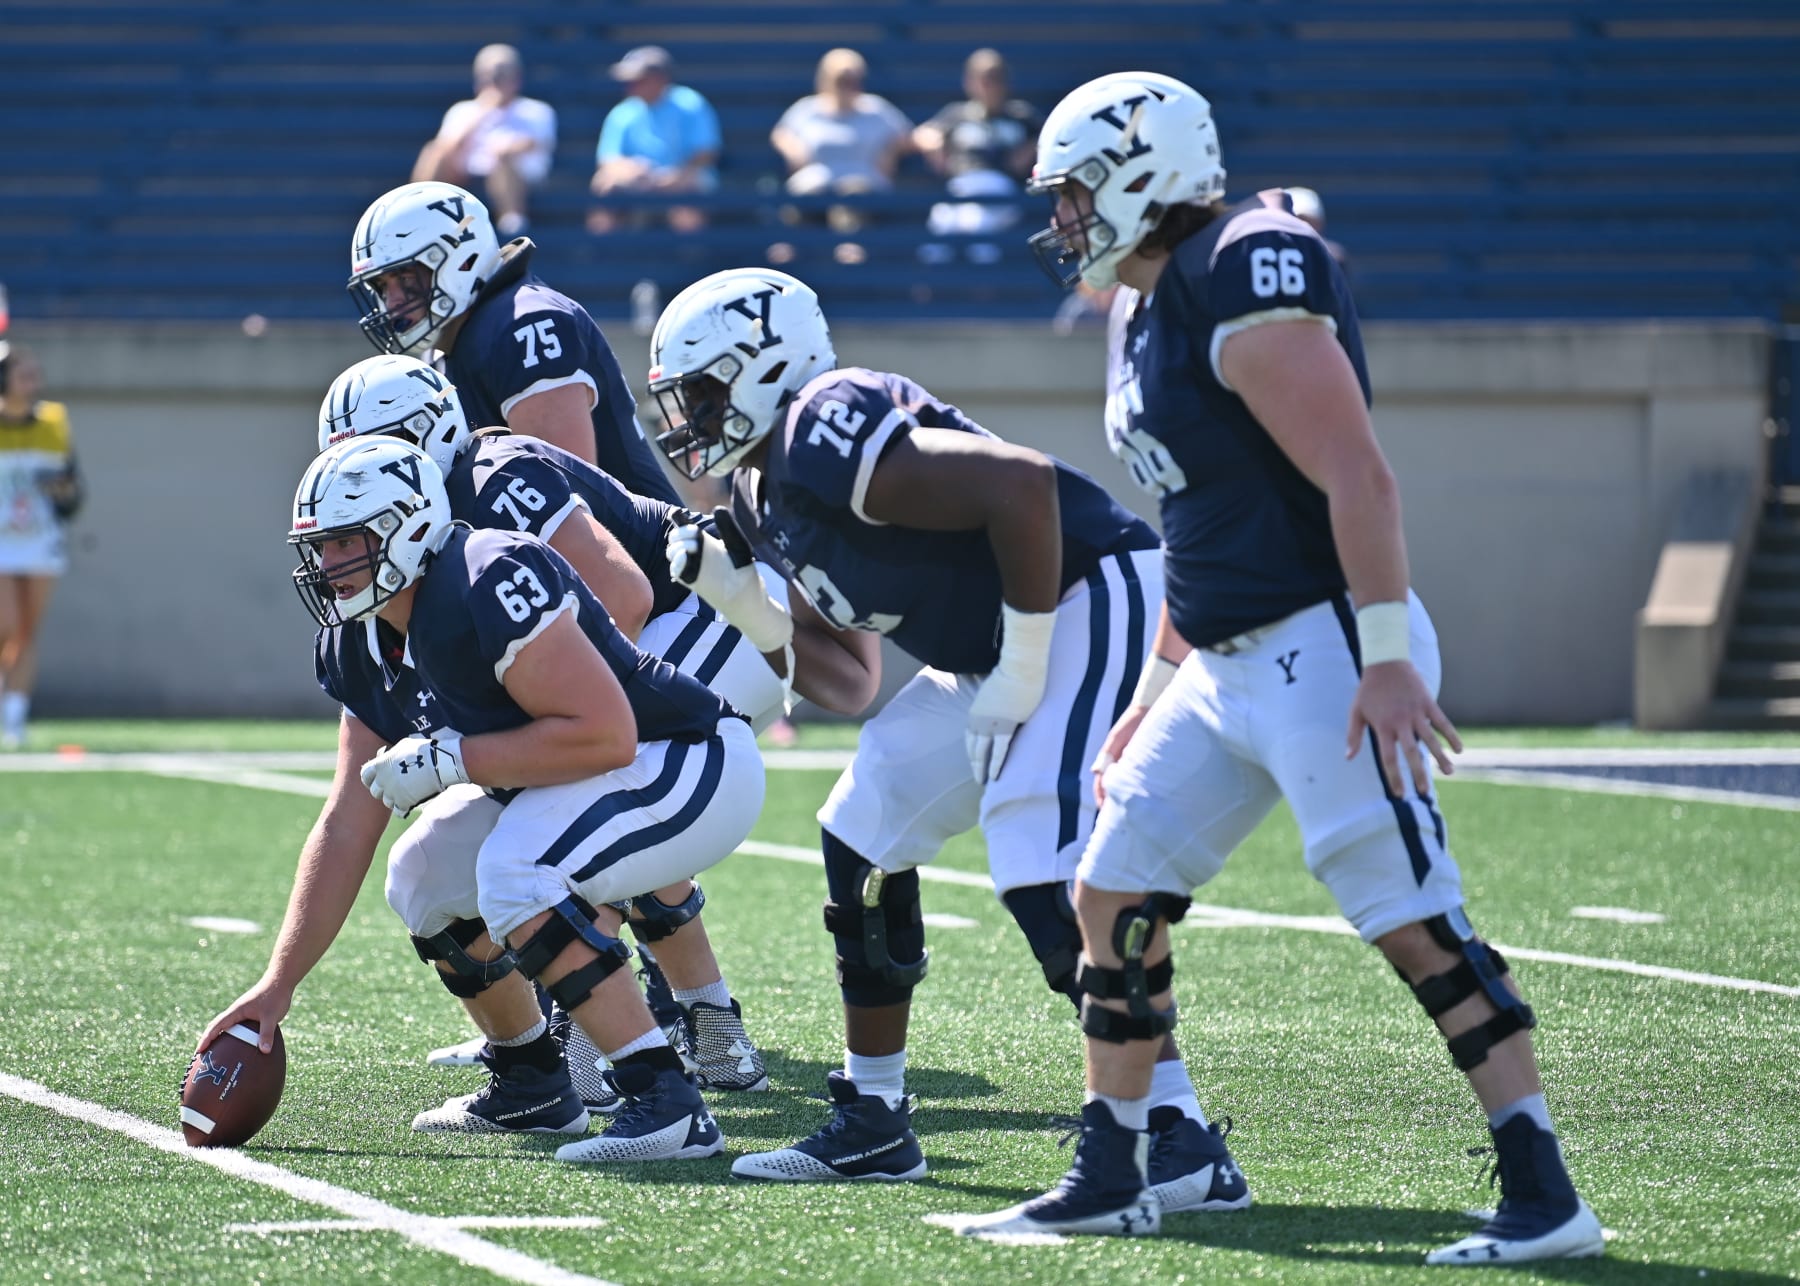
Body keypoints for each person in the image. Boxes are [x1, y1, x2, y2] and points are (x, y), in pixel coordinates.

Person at [948, 72, 1604, 1264]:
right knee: (1111, 888)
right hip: (1224, 653)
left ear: (1146, 173)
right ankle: (1115, 1163)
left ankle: (1542, 1185)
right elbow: (1200, 527)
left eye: (1078, 192)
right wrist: (1146, 701)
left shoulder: (1247, 264)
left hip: (1327, 641)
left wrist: (1391, 654)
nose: (1064, 221)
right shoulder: (1140, 305)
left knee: (1410, 917)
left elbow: (1359, 473)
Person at [646, 268, 1248, 1214]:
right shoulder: (764, 492)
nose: (692, 418)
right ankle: (874, 1119)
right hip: (997, 649)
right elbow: (847, 681)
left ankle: (1176, 1138)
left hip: (1088, 597)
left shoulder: (823, 417)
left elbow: (1024, 486)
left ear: (766, 366)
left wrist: (1020, 669)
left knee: (1038, 859)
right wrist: (739, 602)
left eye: (707, 391)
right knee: (863, 827)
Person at [199, 435, 766, 1165]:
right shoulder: (360, 643)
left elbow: (607, 735)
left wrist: (452, 758)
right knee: (422, 875)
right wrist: (276, 988)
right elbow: (346, 820)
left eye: (345, 541)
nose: (328, 564)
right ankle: (531, 1084)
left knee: (515, 870)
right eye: (319, 545)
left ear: (406, 526)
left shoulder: (487, 576)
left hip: (687, 761)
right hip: (589, 776)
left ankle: (664, 1101)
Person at [318, 353, 843, 1115]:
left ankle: (637, 1030)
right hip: (653, 633)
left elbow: (623, 598)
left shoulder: (490, 479)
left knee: (586, 808)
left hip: (705, 615)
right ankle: (688, 1023)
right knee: (560, 813)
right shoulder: (411, 552)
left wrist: (525, 736)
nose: (360, 475)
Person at [348, 181, 679, 504]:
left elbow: (568, 501)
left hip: (634, 555)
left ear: (461, 258)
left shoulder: (525, 324)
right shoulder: (444, 349)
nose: (391, 302)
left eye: (405, 279)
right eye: (381, 286)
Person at [0, 345, 82, 750]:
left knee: (27, 632)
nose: (33, 383)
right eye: (23, 375)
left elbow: (72, 487)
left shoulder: (53, 421)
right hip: (0, 541)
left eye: (35, 374)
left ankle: (14, 720)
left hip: (38, 539)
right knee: (6, 625)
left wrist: (62, 490)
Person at [413, 44, 557, 238]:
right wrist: (484, 110)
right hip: (467, 174)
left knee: (502, 157)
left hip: (518, 175)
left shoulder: (536, 110)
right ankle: (419, 209)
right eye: (488, 76)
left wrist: (502, 149)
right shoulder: (463, 110)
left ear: (517, 78)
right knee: (433, 151)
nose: (494, 82)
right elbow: (448, 146)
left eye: (502, 76)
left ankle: (512, 222)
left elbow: (534, 144)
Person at [771, 49, 912, 232]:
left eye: (855, 80)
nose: (850, 87)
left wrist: (891, 151)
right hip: (816, 182)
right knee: (800, 202)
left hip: (863, 182)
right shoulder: (807, 109)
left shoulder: (876, 109)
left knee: (852, 198)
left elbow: (909, 136)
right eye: (842, 81)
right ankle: (788, 247)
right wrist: (792, 150)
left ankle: (850, 249)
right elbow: (780, 133)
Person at [588, 46, 721, 236]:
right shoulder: (622, 112)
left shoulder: (690, 103)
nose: (630, 86)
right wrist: (630, 170)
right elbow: (608, 159)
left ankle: (690, 253)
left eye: (638, 80)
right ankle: (601, 251)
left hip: (684, 176)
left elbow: (706, 153)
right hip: (638, 179)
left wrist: (676, 177)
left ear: (660, 79)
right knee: (605, 182)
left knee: (691, 188)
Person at [914, 49, 1040, 243]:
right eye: (982, 79)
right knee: (943, 223)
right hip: (962, 186)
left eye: (994, 79)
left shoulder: (1020, 114)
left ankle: (983, 261)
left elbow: (1051, 135)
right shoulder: (956, 113)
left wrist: (1030, 148)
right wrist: (933, 144)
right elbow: (922, 134)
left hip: (1002, 187)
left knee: (976, 222)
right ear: (968, 82)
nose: (988, 86)